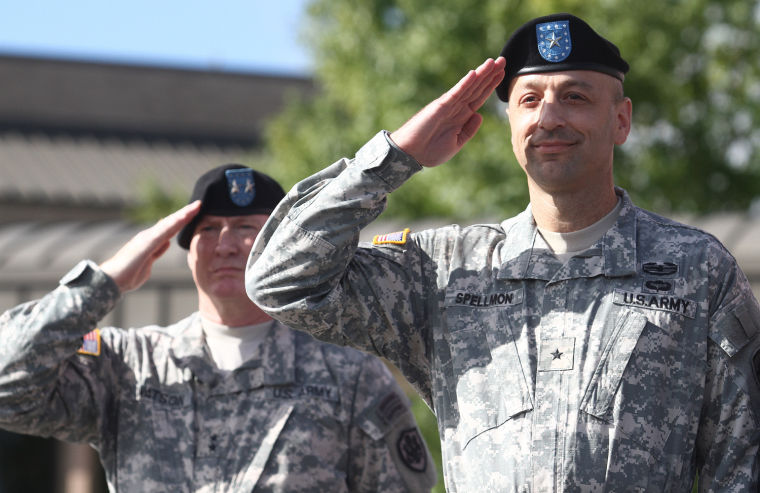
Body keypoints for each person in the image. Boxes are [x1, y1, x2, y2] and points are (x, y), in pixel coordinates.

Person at [246, 13, 760, 492]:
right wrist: (393, 157)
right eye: (530, 100)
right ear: (511, 123)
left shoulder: (696, 270)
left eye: (575, 97)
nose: (550, 117)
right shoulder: (445, 270)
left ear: (621, 121)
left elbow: (743, 462)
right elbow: (279, 282)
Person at [0, 164, 437, 492]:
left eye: (246, 228)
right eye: (208, 229)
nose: (225, 244)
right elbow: (8, 385)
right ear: (188, 252)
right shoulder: (129, 365)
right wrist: (105, 281)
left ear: (276, 249)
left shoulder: (348, 375)